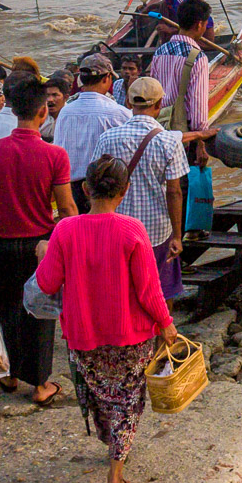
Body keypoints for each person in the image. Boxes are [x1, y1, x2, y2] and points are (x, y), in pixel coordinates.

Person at [34, 154, 181, 483]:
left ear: (84, 189)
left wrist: (43, 254)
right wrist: (166, 323)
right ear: (125, 191)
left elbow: (47, 283)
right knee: (128, 398)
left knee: (101, 393)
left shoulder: (65, 230)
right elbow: (148, 289)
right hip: (131, 335)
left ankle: (113, 442)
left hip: (84, 334)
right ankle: (116, 473)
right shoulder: (132, 230)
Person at [0, 76, 73, 406]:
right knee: (40, 316)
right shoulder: (54, 154)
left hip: (0, 241)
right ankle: (40, 385)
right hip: (40, 244)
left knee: (7, 308)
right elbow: (67, 207)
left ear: (13, 109)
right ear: (44, 112)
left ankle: (10, 374)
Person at [91, 77, 190, 299]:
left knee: (124, 290)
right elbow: (174, 192)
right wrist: (177, 235)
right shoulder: (170, 140)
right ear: (159, 104)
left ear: (128, 101)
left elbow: (95, 184)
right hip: (157, 231)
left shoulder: (108, 138)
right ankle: (162, 333)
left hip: (117, 229)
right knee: (161, 291)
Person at [146, 0, 220, 180]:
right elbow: (197, 106)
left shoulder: (160, 51)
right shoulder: (197, 58)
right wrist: (201, 142)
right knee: (182, 187)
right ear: (199, 24)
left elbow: (153, 91)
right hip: (185, 135)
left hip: (160, 128)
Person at [52, 53, 132, 208]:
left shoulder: (65, 112)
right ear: (106, 79)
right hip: (106, 188)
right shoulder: (120, 113)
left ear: (80, 79)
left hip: (72, 189)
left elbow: (59, 151)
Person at [39, 72, 69, 140]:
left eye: (55, 95)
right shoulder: (37, 115)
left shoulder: (71, 117)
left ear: (66, 97)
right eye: (47, 95)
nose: (50, 100)